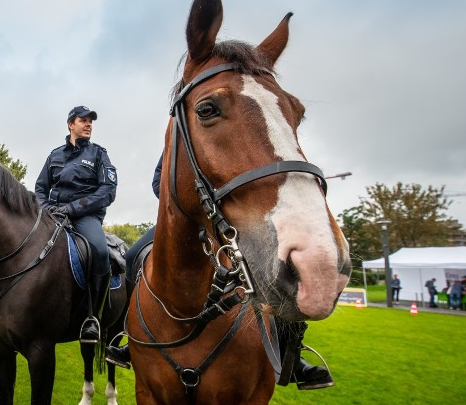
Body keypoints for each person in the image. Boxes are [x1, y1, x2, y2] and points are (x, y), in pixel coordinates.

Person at [105, 155, 334, 390]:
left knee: (274, 260)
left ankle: (292, 356)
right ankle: (130, 340)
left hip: (229, 218)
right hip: (184, 219)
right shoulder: (173, 143)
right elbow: (158, 183)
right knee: (133, 256)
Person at [35, 105, 117, 343]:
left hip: (85, 216)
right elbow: (40, 188)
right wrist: (48, 208)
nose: (89, 124)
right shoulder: (54, 155)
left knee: (100, 252)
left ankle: (94, 317)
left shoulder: (99, 154)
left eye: (91, 121)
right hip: (53, 214)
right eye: (83, 120)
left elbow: (107, 192)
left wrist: (72, 209)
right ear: (71, 124)